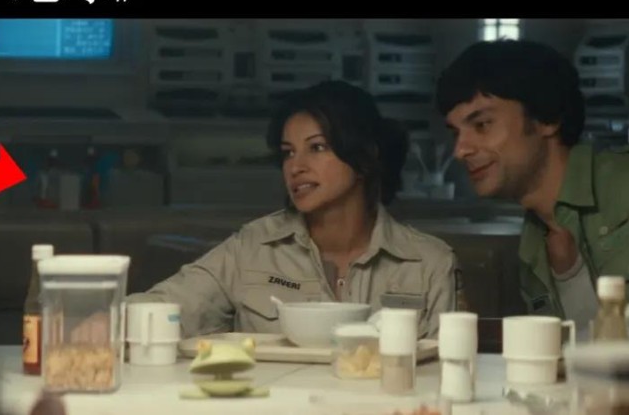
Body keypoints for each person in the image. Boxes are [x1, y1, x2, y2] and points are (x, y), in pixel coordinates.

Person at [434, 39, 629, 335]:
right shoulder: (532, 246)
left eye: (482, 125)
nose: (460, 150)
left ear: (547, 119)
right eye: (455, 133)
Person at [128, 80, 462, 339]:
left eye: (317, 147)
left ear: (364, 156)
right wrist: (106, 314)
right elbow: (166, 307)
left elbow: (446, 374)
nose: (296, 166)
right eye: (288, 152)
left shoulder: (429, 264)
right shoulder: (253, 247)